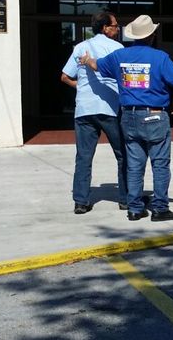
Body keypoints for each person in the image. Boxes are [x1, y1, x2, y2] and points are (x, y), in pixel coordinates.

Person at [79, 15, 173, 222]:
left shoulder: (119, 56)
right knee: (160, 164)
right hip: (155, 114)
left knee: (135, 164)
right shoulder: (160, 57)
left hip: (128, 116)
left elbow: (96, 65)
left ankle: (135, 208)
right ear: (152, 36)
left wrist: (85, 60)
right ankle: (160, 208)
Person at [60, 11, 127, 214]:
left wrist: (82, 88)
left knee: (83, 157)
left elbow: (64, 77)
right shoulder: (118, 48)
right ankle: (125, 199)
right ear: (106, 28)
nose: (117, 28)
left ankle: (80, 201)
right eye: (115, 25)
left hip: (84, 109)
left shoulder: (80, 47)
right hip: (110, 108)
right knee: (123, 154)